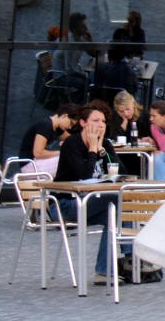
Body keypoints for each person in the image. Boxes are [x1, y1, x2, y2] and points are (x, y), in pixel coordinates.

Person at [49, 100, 122, 285]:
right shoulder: (71, 144)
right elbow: (84, 175)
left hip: (90, 203)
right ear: (83, 123)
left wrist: (102, 150)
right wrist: (91, 149)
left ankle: (104, 272)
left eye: (103, 121)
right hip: (65, 204)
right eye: (96, 120)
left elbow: (121, 170)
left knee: (116, 213)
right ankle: (130, 259)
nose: (101, 125)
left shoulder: (104, 143)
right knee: (117, 197)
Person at [18, 104, 79, 173]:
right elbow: (38, 153)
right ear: (65, 116)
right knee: (68, 160)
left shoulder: (58, 128)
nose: (70, 127)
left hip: (38, 162)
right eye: (71, 124)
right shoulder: (45, 126)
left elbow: (73, 141)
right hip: (30, 164)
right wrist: (60, 153)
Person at [52, 11, 93, 101]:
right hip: (61, 76)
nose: (86, 28)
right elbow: (69, 70)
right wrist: (82, 75)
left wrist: (90, 41)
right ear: (74, 29)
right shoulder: (70, 45)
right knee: (84, 83)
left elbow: (91, 53)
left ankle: (79, 101)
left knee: (89, 80)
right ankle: (73, 102)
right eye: (83, 26)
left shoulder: (81, 38)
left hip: (69, 73)